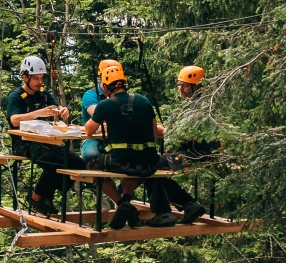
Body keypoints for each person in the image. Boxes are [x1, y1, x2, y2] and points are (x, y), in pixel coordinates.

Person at [81, 66, 210, 226]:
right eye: (180, 85)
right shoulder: (144, 100)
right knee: (152, 163)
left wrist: (170, 132)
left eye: (184, 85)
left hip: (198, 152)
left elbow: (88, 131)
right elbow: (155, 134)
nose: (180, 89)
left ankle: (132, 205)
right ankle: (183, 206)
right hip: (158, 158)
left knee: (93, 163)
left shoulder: (200, 108)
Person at [3, 55, 72, 215]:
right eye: (36, 78)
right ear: (25, 77)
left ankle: (46, 196)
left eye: (41, 78)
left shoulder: (43, 94)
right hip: (24, 143)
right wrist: (39, 112)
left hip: (45, 141)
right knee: (54, 162)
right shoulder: (16, 96)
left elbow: (56, 106)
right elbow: (14, 120)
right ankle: (36, 199)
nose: (40, 82)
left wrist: (63, 110)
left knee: (76, 162)